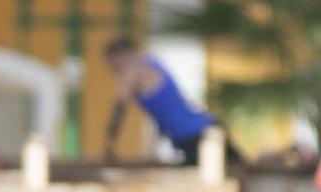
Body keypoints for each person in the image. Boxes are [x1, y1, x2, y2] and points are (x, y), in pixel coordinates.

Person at [102, 36, 242, 166]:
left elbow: (119, 108)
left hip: (195, 137)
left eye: (111, 64)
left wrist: (109, 145)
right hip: (206, 127)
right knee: (241, 174)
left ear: (118, 56)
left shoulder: (132, 71)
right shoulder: (152, 62)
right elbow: (164, 111)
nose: (112, 70)